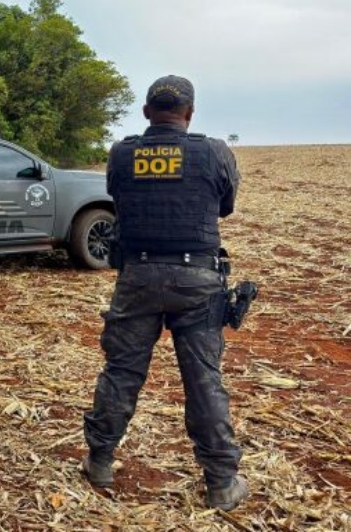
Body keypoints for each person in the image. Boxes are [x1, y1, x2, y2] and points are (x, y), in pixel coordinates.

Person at [81, 76, 247, 511]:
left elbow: (118, 195)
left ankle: (99, 460)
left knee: (121, 372)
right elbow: (225, 205)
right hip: (198, 281)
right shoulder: (213, 151)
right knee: (204, 381)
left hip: (137, 275)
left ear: (145, 112)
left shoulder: (121, 152)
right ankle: (222, 482)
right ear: (189, 113)